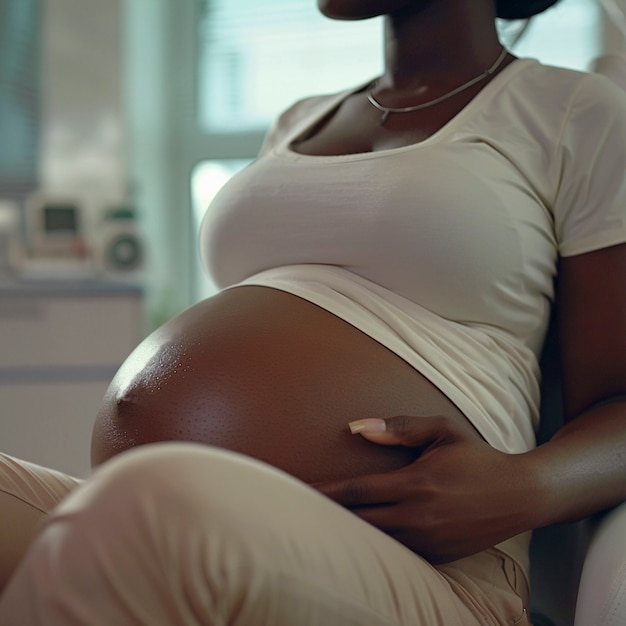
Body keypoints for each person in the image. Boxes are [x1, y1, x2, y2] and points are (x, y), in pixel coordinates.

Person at [1, 0, 626, 623]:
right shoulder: (298, 121)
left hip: (423, 566)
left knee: (150, 505)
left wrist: (523, 488)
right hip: (170, 518)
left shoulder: (575, 111)